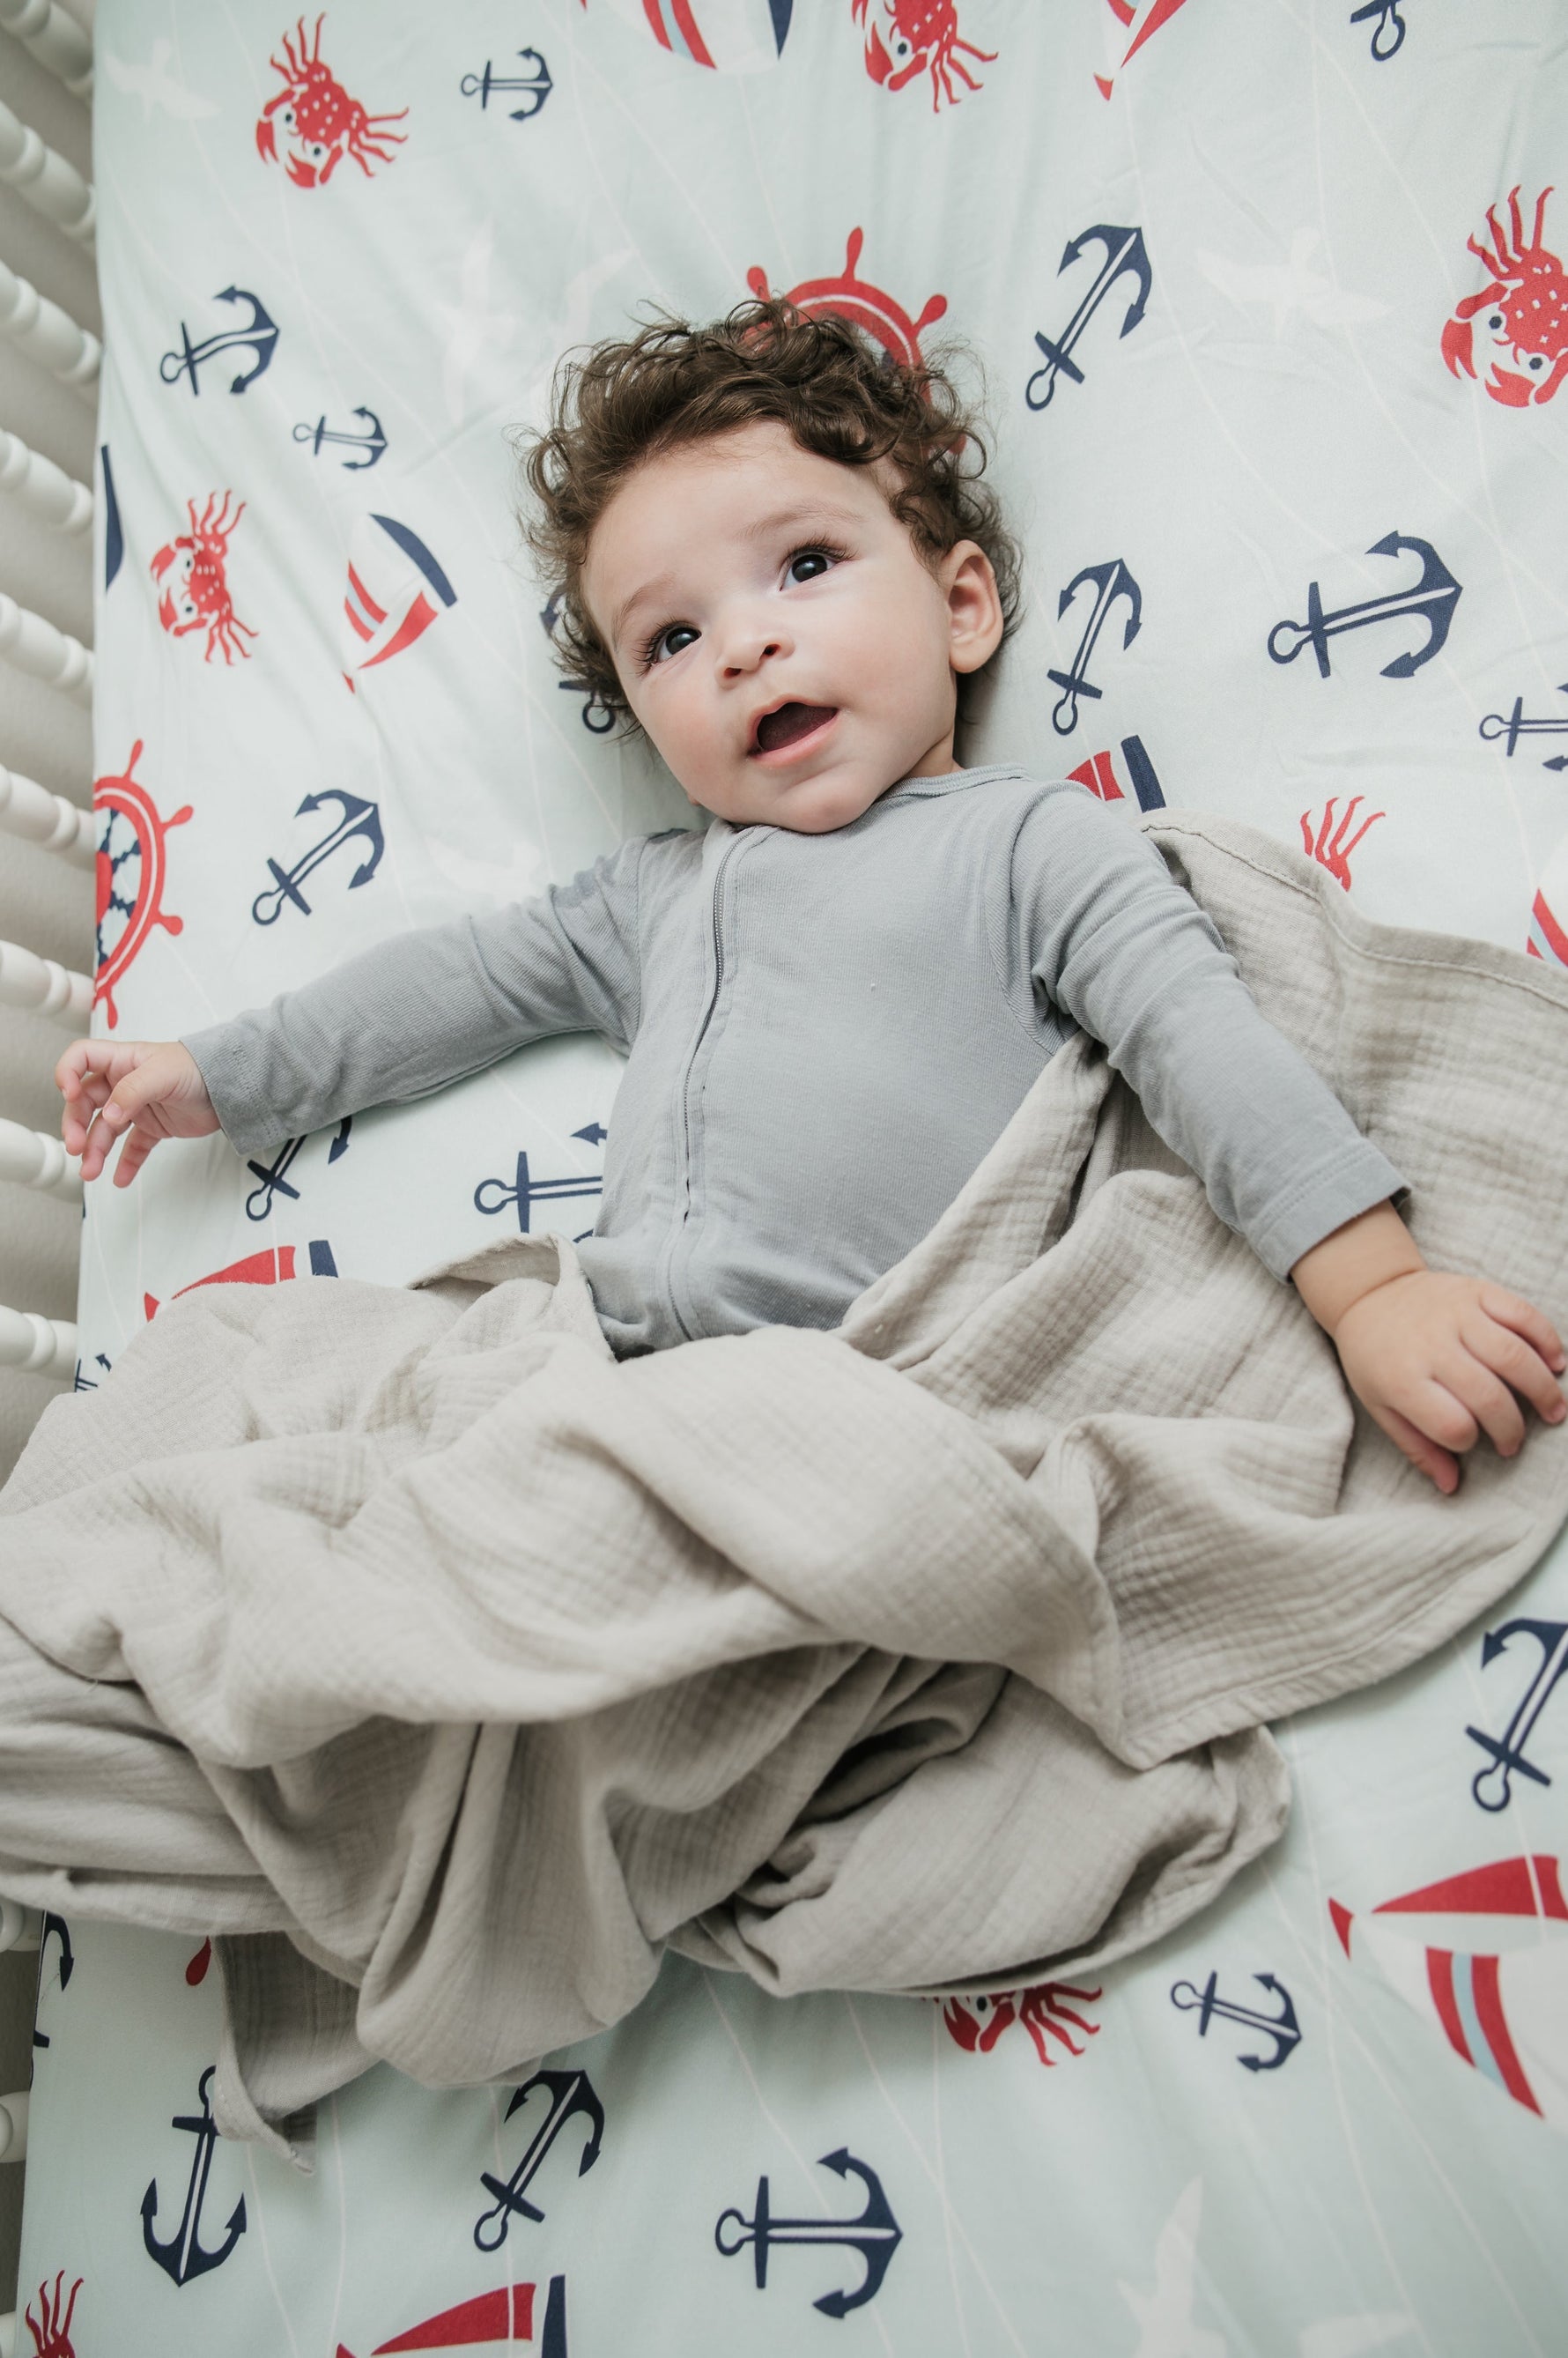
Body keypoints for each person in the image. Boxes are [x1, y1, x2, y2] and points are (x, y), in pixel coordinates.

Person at [55, 301, 1565, 1495]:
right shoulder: (652, 896)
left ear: (961, 604)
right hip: (603, 1365)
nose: (741, 649)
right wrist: (214, 1073)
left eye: (805, 565)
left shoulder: (1029, 847)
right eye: (669, 640)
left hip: (860, 1385)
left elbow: (1206, 1045)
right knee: (234, 1391)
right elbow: (448, 986)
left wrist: (1375, 1293)